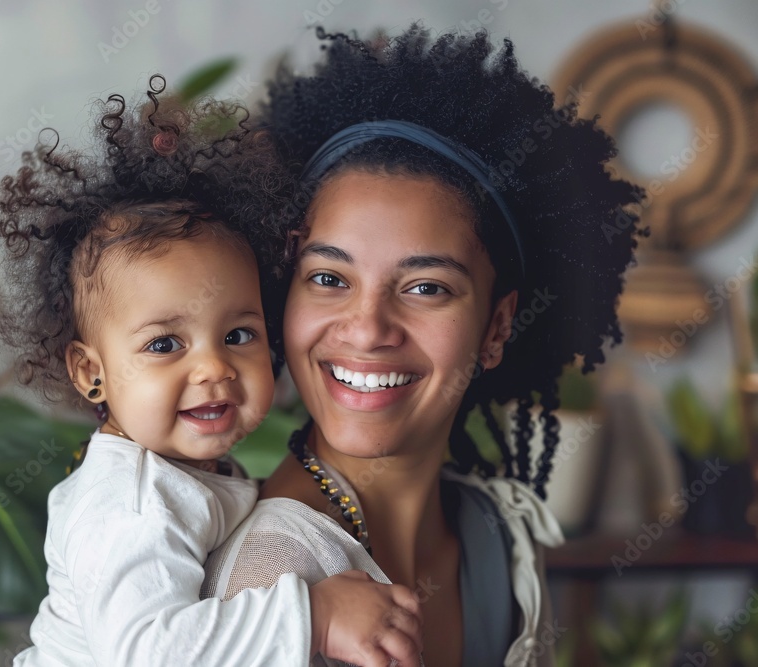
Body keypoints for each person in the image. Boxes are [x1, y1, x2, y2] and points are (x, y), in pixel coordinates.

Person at [202, 27, 646, 666]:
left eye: (426, 287)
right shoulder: (267, 589)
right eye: (329, 278)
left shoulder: (496, 538)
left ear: (496, 328)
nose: (367, 328)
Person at [0, 77, 426, 667]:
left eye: (238, 335)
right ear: (92, 371)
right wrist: (316, 616)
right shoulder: (133, 503)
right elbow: (149, 651)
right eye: (165, 343)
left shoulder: (183, 471)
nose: (215, 366)